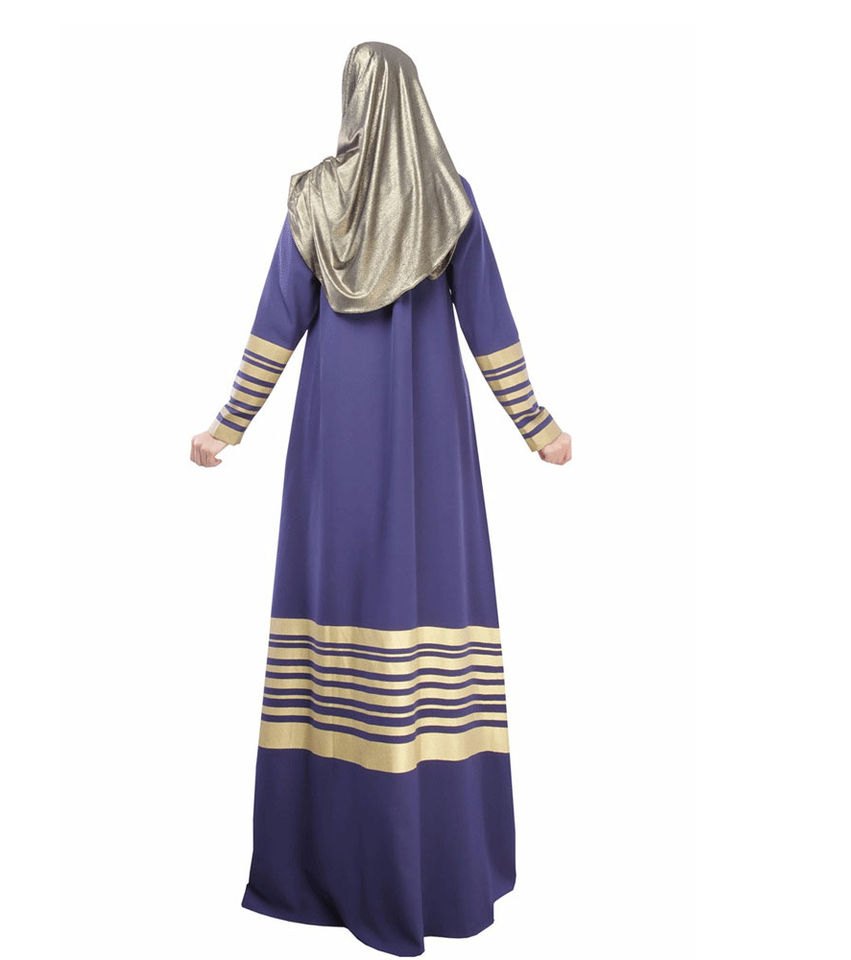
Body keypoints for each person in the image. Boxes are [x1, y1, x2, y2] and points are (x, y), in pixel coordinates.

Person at [191, 41, 571, 957]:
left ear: (354, 101)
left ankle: (331, 865)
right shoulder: (451, 199)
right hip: (429, 450)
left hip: (335, 449)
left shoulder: (314, 202)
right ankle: (435, 869)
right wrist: (538, 425)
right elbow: (491, 326)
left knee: (341, 623)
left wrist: (228, 425)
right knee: (427, 630)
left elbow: (276, 323)